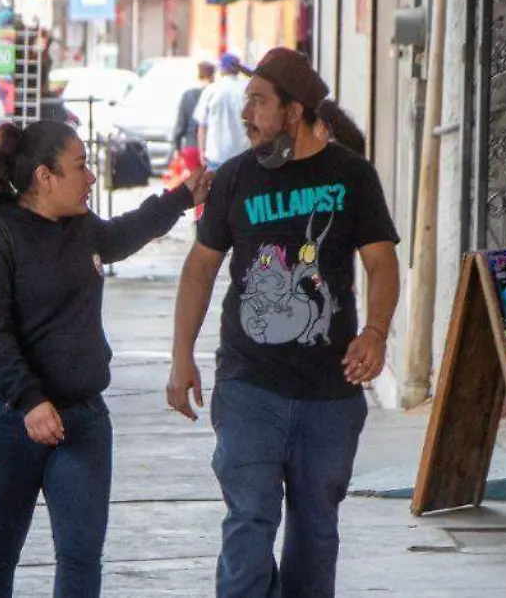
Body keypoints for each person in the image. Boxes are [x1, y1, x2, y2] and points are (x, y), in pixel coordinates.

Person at [168, 47, 400, 597]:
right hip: (249, 384)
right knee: (249, 519)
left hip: (330, 391)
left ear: (293, 112)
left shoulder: (352, 176)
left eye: (258, 101)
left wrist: (375, 333)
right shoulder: (235, 178)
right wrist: (181, 357)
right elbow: (200, 268)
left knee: (315, 530)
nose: (245, 113)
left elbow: (381, 261)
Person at [0, 120, 212, 598]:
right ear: (44, 177)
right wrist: (30, 401)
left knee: (81, 556)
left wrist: (181, 197)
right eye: (80, 166)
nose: (91, 177)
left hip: (82, 419)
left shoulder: (81, 227)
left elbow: (122, 234)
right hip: (6, 422)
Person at [194, 53, 250, 171]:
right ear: (238, 69)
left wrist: (201, 152)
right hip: (243, 156)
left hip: (216, 156)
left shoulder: (211, 90)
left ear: (222, 69)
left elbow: (202, 127)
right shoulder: (247, 90)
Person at [174, 62, 217, 172]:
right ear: (213, 75)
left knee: (194, 181)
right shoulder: (216, 93)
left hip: (191, 146)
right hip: (212, 148)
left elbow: (180, 126)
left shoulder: (188, 95)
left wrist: (178, 148)